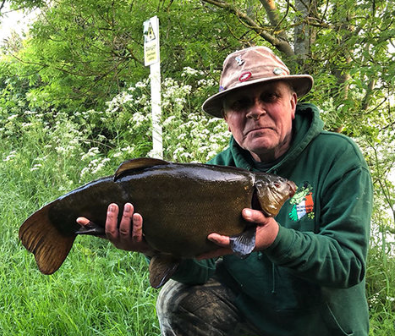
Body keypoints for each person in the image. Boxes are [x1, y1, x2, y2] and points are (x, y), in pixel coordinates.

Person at [78, 46, 373, 336]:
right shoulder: (214, 172)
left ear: (292, 102)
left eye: (269, 97)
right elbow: (200, 270)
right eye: (241, 103)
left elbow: (349, 263)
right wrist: (152, 246)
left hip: (322, 329)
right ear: (227, 118)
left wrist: (275, 240)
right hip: (252, 320)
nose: (256, 111)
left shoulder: (337, 157)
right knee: (176, 299)